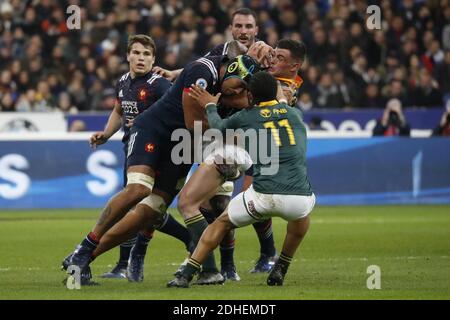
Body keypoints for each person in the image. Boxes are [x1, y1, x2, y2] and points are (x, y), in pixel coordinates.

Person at [61, 48, 268, 286]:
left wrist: (222, 113)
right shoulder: (203, 72)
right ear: (232, 70)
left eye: (245, 91)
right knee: (138, 189)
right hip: (155, 131)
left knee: (150, 212)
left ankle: (84, 258)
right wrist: (221, 118)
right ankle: (86, 244)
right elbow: (193, 124)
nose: (238, 92)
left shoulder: (231, 92)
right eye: (239, 86)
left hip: (182, 148)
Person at [151, 8, 278, 279]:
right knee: (217, 204)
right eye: (238, 25)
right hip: (218, 136)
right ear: (232, 29)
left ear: (257, 29)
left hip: (250, 136)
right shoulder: (223, 53)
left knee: (250, 198)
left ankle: (265, 254)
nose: (243, 30)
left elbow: (281, 87)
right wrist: (176, 73)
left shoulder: (265, 56)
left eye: (248, 26)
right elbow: (203, 69)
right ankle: (227, 267)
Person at [167, 71, 316, 288]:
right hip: (297, 199)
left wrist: (209, 105)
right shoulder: (295, 115)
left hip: (262, 197)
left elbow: (217, 128)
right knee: (302, 216)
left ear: (251, 96)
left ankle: (186, 273)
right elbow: (281, 105)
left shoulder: (247, 116)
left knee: (221, 223)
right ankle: (281, 266)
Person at [87, 34, 192, 280]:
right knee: (140, 208)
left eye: (146, 54)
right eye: (136, 53)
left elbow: (177, 113)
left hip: (157, 152)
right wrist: (106, 133)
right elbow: (117, 110)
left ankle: (129, 262)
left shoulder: (160, 85)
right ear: (128, 56)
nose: (141, 58)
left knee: (139, 207)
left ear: (154, 59)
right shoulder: (123, 82)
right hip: (131, 147)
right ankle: (130, 262)